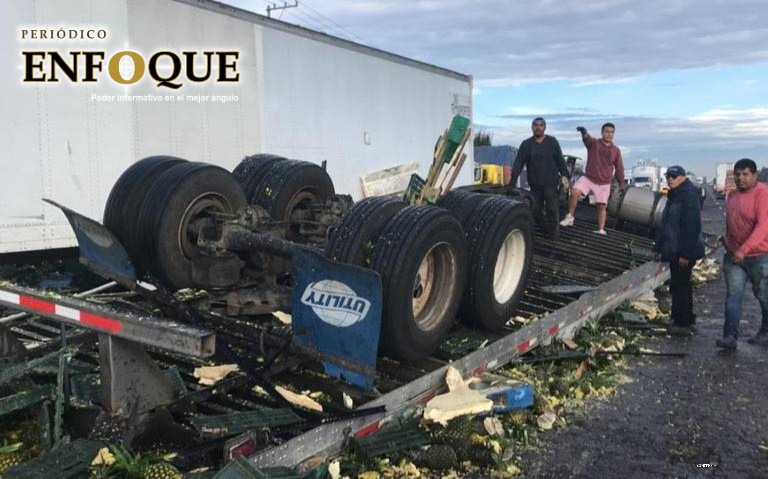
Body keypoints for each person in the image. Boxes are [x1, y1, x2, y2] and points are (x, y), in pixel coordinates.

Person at [716, 159, 768, 350]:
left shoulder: (763, 194)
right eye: (737, 174)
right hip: (735, 256)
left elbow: (764, 226)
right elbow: (732, 223)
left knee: (763, 296)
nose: (741, 178)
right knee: (733, 295)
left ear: (754, 175)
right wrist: (728, 242)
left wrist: (743, 250)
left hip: (759, 255)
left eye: (745, 174)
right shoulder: (732, 196)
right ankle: (729, 336)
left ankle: (766, 332)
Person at [653, 166, 705, 336]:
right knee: (679, 285)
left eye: (674, 176)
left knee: (681, 286)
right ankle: (682, 319)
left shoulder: (688, 196)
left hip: (683, 252)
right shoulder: (674, 195)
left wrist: (685, 253)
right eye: (668, 176)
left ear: (683, 178)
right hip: (675, 250)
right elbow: (667, 225)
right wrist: (659, 247)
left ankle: (682, 323)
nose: (670, 179)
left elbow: (692, 227)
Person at [510, 117, 570, 239]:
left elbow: (560, 161)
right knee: (536, 210)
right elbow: (519, 163)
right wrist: (512, 181)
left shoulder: (552, 142)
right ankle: (544, 231)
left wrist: (565, 177)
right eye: (536, 125)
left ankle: (554, 236)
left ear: (545, 127)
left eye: (541, 125)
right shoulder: (526, 144)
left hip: (551, 184)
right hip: (535, 184)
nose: (538, 127)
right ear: (532, 127)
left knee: (552, 210)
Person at [560, 123, 624, 235]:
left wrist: (621, 183)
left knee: (602, 206)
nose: (609, 134)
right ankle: (570, 217)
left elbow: (619, 168)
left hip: (604, 182)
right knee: (574, 192)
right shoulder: (594, 143)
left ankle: (601, 229)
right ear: (602, 132)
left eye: (611, 132)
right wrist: (584, 132)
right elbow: (587, 139)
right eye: (606, 131)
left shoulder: (615, 150)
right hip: (589, 177)